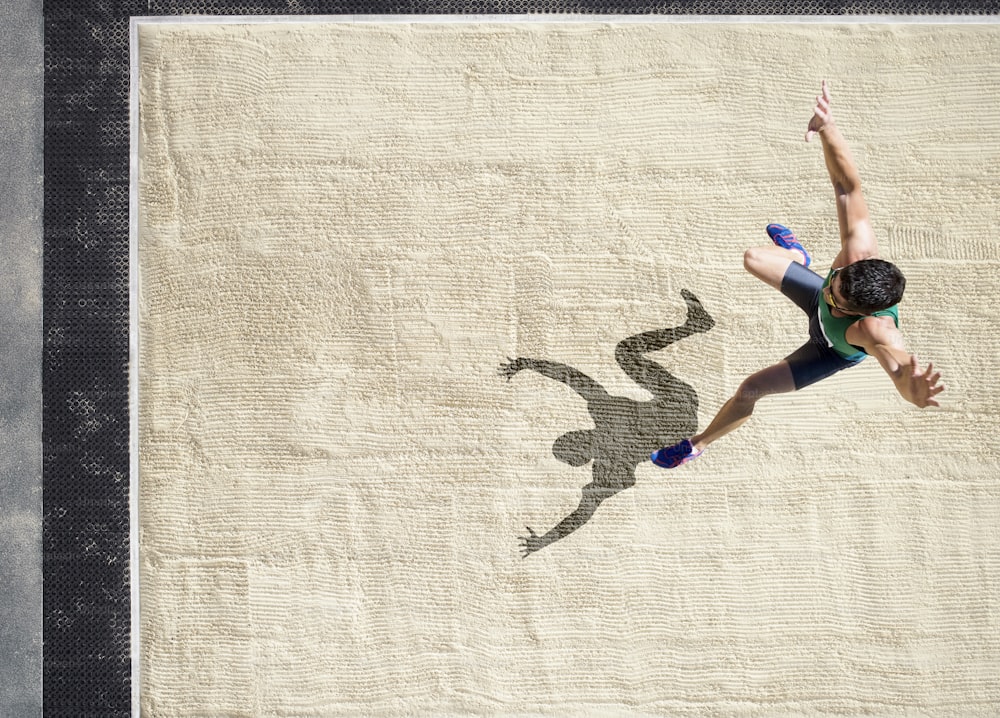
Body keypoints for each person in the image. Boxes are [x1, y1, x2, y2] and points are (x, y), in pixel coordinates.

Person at [651, 80, 944, 470]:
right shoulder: (856, 257)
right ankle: (796, 255)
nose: (830, 292)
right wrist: (827, 127)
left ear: (862, 313)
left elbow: (897, 368)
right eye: (835, 283)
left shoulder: (876, 332)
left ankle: (696, 445)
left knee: (750, 389)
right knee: (754, 257)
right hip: (821, 305)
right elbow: (846, 187)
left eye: (837, 298)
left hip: (827, 349)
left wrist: (913, 390)